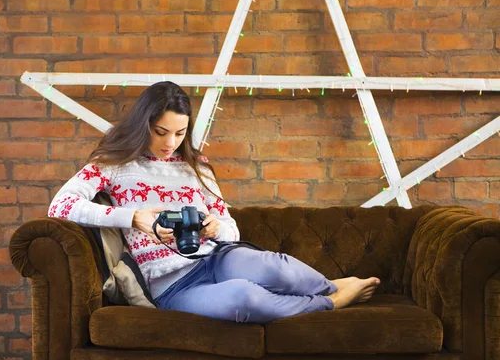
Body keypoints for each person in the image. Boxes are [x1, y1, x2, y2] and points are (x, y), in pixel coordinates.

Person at [48, 81, 381, 323]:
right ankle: (331, 303)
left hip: (216, 258)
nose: (170, 143)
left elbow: (232, 230)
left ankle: (329, 285)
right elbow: (60, 206)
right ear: (144, 123)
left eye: (180, 133)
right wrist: (133, 217)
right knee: (244, 298)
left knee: (274, 268)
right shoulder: (113, 164)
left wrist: (216, 226)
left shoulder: (197, 165)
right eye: (161, 131)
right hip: (172, 286)